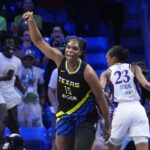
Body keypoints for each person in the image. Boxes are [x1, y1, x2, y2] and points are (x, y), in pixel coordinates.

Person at [23, 11, 110, 150]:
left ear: (80, 53)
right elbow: (39, 42)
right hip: (64, 114)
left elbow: (100, 99)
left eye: (74, 48)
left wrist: (108, 125)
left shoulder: (88, 72)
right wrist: (31, 21)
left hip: (85, 117)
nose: (69, 50)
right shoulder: (59, 59)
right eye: (68, 47)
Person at [100, 45, 150, 150]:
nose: (107, 61)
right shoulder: (134, 68)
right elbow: (146, 85)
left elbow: (100, 91)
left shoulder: (106, 73)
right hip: (138, 109)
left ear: (113, 58)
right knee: (142, 145)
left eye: (107, 58)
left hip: (122, 109)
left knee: (111, 146)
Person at [0, 36, 24, 149]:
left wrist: (25, 90)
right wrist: (4, 78)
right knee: (3, 115)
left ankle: (18, 146)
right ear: (3, 46)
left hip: (10, 92)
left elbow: (17, 79)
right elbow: (7, 78)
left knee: (14, 123)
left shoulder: (17, 61)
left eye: (12, 43)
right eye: (8, 42)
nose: (11, 44)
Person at [17, 49, 45, 127]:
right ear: (22, 60)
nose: (28, 61)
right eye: (26, 59)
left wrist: (43, 97)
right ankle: (21, 139)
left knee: (36, 121)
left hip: (34, 100)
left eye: (30, 59)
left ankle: (36, 138)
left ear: (33, 60)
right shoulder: (17, 70)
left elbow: (42, 86)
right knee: (21, 123)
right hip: (20, 100)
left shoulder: (38, 70)